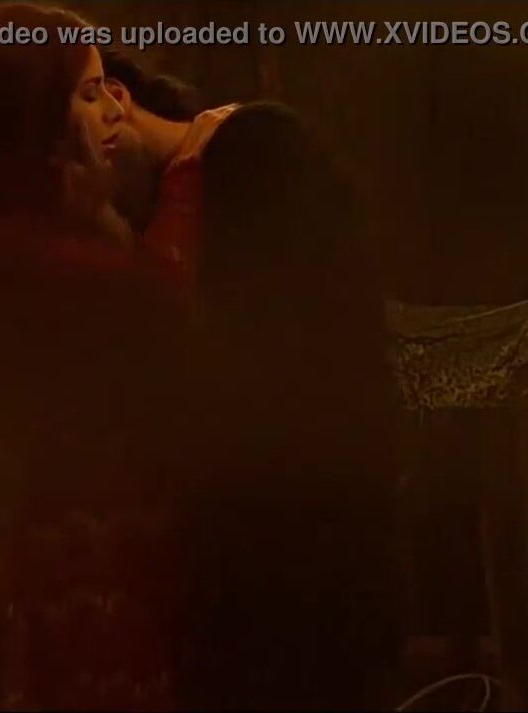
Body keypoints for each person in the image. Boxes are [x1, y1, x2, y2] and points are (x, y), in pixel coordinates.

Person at [0, 4, 202, 710]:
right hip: (95, 613)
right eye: (90, 94)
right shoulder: (58, 280)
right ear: (35, 123)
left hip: (49, 605)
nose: (114, 112)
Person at [102, 50, 406, 710]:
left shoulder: (254, 147)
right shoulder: (159, 210)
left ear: (115, 102)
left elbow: (285, 379)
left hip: (301, 575)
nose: (85, 184)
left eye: (79, 159)